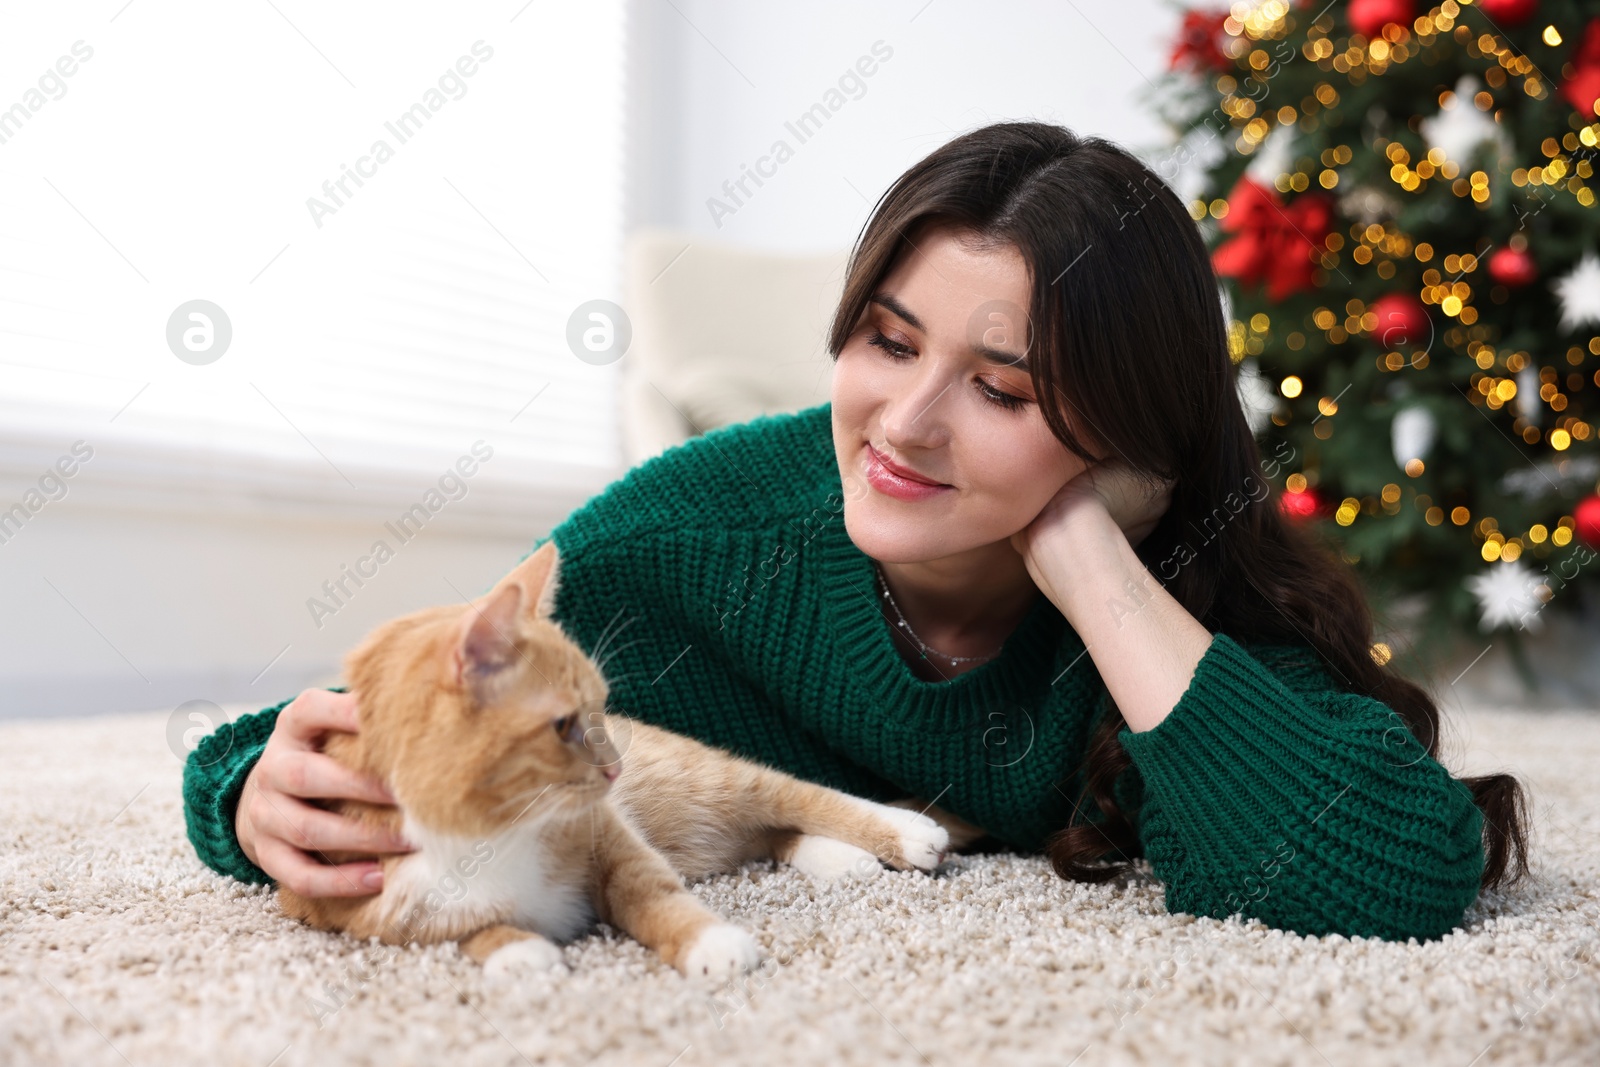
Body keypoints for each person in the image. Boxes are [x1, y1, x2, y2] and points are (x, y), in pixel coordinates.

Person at [183, 121, 1530, 942]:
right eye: (887, 342)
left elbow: (1386, 873)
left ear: (1129, 447)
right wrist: (242, 786)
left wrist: (1079, 554)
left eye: (1001, 389)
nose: (905, 422)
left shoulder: (1169, 580)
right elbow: (423, 709)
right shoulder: (685, 543)